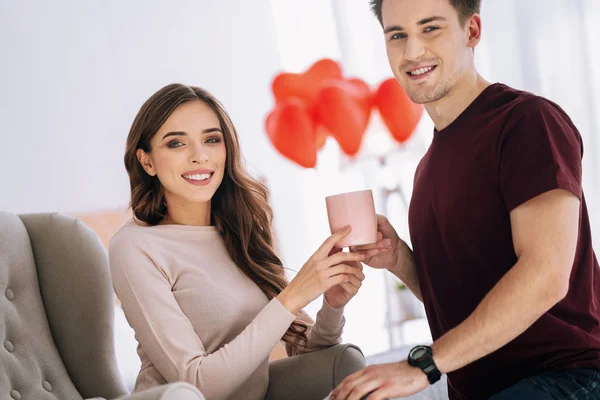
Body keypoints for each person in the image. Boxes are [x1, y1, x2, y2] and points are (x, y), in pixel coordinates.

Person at [329, 0, 600, 399]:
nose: (412, 51)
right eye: (397, 35)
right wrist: (400, 260)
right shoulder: (426, 170)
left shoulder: (527, 121)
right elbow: (463, 303)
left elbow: (546, 276)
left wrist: (423, 365)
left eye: (431, 28)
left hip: (568, 377)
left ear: (472, 31)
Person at [108, 83, 389, 399]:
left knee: (350, 365)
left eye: (212, 140)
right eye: (176, 144)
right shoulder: (134, 247)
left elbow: (307, 350)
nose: (200, 156)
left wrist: (332, 305)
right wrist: (293, 296)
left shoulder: (238, 229)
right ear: (147, 161)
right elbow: (195, 384)